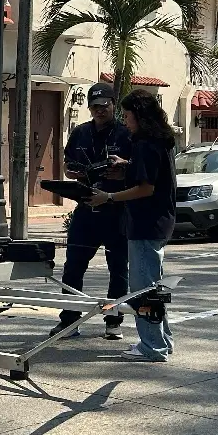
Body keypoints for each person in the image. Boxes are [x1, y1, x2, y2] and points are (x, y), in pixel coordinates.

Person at [85, 89, 177, 362]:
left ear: (140, 115)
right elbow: (151, 173)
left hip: (146, 223)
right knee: (154, 287)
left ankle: (152, 347)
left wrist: (108, 197)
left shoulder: (145, 143)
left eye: (127, 115)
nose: (124, 121)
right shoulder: (158, 141)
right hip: (159, 221)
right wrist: (128, 164)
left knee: (144, 289)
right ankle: (162, 341)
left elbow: (146, 188)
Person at [49, 82, 132, 341]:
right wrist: (72, 173)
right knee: (73, 267)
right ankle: (70, 320)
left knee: (118, 269)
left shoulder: (125, 133)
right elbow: (67, 164)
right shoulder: (81, 132)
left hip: (115, 208)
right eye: (95, 107)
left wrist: (123, 169)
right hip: (85, 209)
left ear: (113, 105)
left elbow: (138, 168)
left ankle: (113, 321)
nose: (100, 111)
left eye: (104, 106)